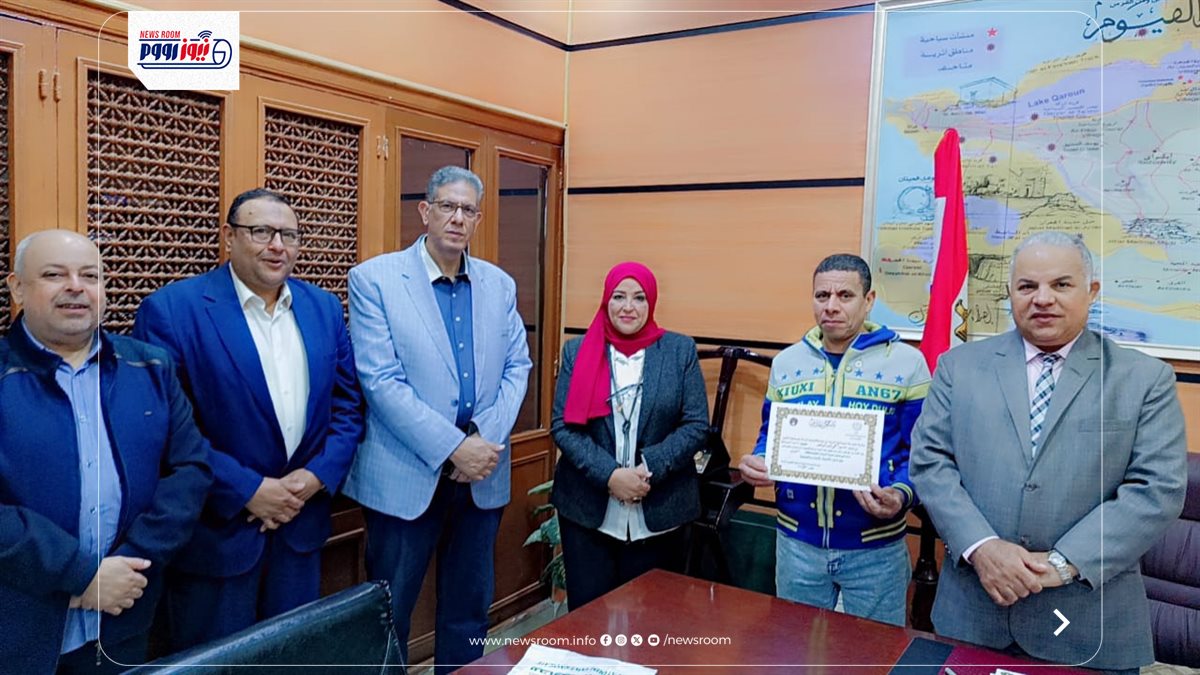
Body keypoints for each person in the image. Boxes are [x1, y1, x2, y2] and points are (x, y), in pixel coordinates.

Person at [910, 231, 1187, 672]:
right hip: (974, 615)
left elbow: (1157, 489)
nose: (1042, 299)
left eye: (1061, 284)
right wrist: (983, 548)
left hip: (1086, 624)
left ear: (1091, 291)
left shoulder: (1143, 379)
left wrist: (1062, 564)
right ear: (1010, 293)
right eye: (1027, 286)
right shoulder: (959, 367)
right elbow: (930, 463)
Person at [132, 188, 364, 650]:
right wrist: (248, 490)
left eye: (289, 235)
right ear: (229, 237)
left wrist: (316, 477)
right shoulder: (173, 310)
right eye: (261, 232)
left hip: (300, 525)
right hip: (218, 534)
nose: (277, 246)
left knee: (291, 656)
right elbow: (165, 427)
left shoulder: (323, 307)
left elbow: (347, 405)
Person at [343, 166, 531, 673]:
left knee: (469, 611)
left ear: (478, 219)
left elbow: (518, 366)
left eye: (468, 210)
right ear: (425, 211)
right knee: (390, 614)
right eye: (447, 206)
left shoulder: (499, 285)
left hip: (482, 474)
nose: (457, 218)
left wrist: (482, 441)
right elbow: (380, 380)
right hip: (405, 474)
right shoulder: (375, 280)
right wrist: (453, 447)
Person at [0, 231, 210, 674]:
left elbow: (191, 470)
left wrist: (131, 566)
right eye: (54, 274)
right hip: (19, 621)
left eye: (90, 276)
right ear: (17, 288)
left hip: (123, 612)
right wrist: (81, 575)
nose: (76, 287)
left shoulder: (149, 366)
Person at [738, 253, 930, 626]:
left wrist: (901, 495)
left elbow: (923, 454)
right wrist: (759, 460)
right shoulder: (787, 363)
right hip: (797, 544)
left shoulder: (907, 364)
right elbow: (769, 435)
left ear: (869, 300)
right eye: (822, 295)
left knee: (872, 651)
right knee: (794, 647)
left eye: (845, 295)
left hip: (875, 548)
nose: (831, 306)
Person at [549, 262, 709, 611]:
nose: (628, 307)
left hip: (661, 509)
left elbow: (696, 425)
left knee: (653, 620)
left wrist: (648, 467)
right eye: (618, 297)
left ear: (651, 302)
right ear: (606, 300)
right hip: (588, 512)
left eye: (639, 298)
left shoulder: (679, 350)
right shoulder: (577, 351)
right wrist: (610, 476)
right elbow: (563, 426)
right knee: (589, 619)